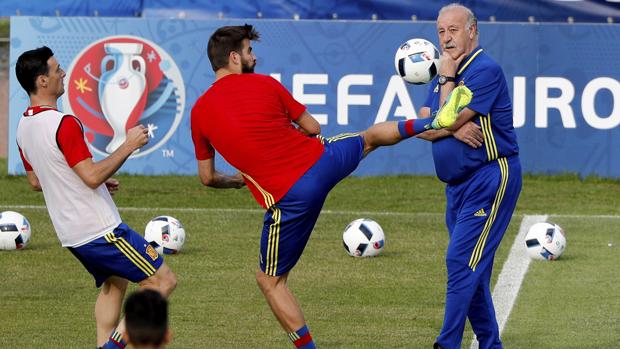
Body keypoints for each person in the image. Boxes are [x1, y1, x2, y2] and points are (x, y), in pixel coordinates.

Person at [190, 24, 468, 349]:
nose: (255, 56)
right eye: (250, 51)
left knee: (270, 281)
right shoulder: (265, 84)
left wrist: (237, 180)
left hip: (290, 197)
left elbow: (207, 178)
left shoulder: (198, 112)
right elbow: (313, 127)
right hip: (322, 159)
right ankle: (433, 121)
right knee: (369, 138)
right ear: (235, 58)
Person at [15, 46, 177, 349]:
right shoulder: (64, 123)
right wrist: (128, 145)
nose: (63, 73)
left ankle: (103, 342)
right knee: (162, 281)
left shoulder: (23, 126)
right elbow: (90, 176)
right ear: (42, 81)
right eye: (57, 69)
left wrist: (96, 179)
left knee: (115, 284)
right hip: (99, 229)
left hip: (71, 234)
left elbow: (38, 181)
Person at [415, 4, 522, 349]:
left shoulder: (483, 70)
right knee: (471, 272)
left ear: (472, 31)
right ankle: (491, 345)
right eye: (441, 32)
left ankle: (447, 344)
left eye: (453, 30)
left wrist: (445, 117)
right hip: (457, 186)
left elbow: (439, 121)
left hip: (491, 177)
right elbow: (423, 125)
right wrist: (454, 128)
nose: (446, 39)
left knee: (460, 261)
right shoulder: (443, 73)